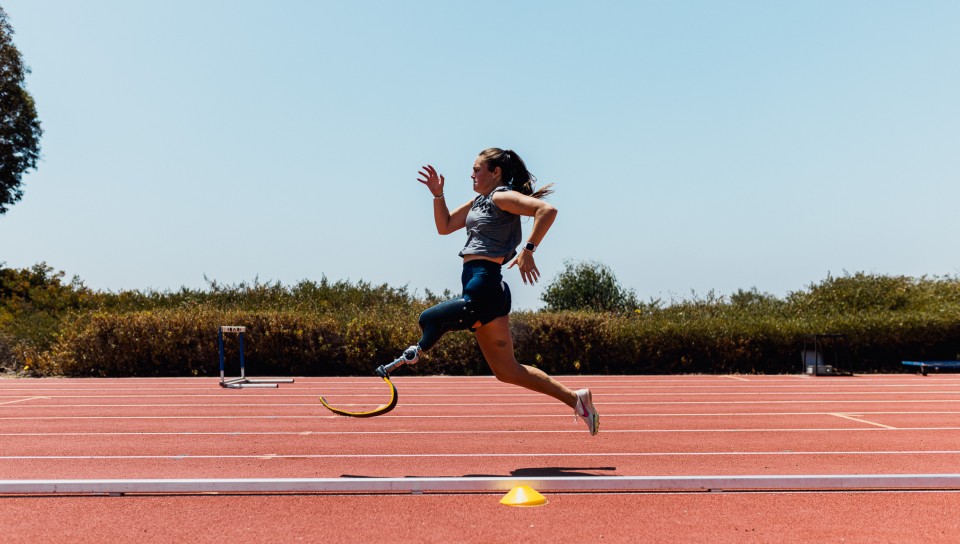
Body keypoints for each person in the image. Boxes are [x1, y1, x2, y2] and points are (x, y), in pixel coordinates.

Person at [391, 147, 599, 435]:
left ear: (495, 172)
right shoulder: (479, 201)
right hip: (486, 289)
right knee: (507, 371)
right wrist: (438, 195)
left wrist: (528, 249)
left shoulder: (501, 196)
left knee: (430, 320)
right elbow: (446, 225)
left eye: (477, 169)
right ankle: (577, 399)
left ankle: (416, 352)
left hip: (484, 285)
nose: (472, 174)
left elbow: (546, 210)